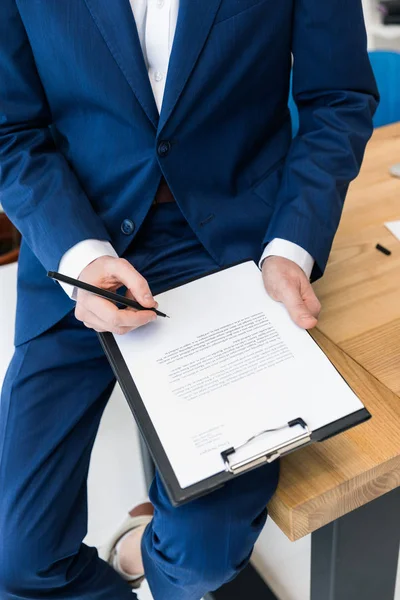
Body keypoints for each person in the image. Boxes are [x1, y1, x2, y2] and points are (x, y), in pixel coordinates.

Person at [0, 1, 378, 599]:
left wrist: (290, 248)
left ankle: (141, 553)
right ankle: (144, 559)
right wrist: (78, 256)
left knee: (198, 558)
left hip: (231, 249)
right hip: (77, 240)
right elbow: (9, 128)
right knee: (15, 561)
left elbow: (339, 99)